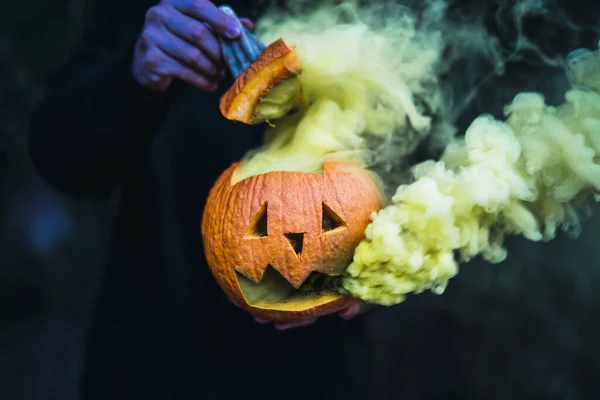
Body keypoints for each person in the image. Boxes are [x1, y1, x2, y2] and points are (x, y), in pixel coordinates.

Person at [28, 1, 372, 399]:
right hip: (158, 352)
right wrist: (135, 76)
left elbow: (433, 167)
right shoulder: (142, 12)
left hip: (313, 372)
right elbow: (63, 160)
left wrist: (378, 273)